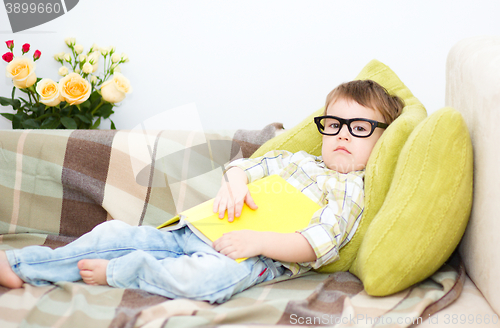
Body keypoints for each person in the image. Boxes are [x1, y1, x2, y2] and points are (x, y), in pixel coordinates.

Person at [0, 80, 404, 304]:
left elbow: (321, 241)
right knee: (112, 235)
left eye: (360, 127)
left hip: (251, 256)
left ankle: (125, 271)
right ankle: (17, 264)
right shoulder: (298, 160)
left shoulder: (351, 189)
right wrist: (235, 183)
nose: (342, 135)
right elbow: (247, 164)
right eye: (333, 124)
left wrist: (258, 239)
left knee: (209, 283)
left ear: (382, 140)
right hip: (195, 229)